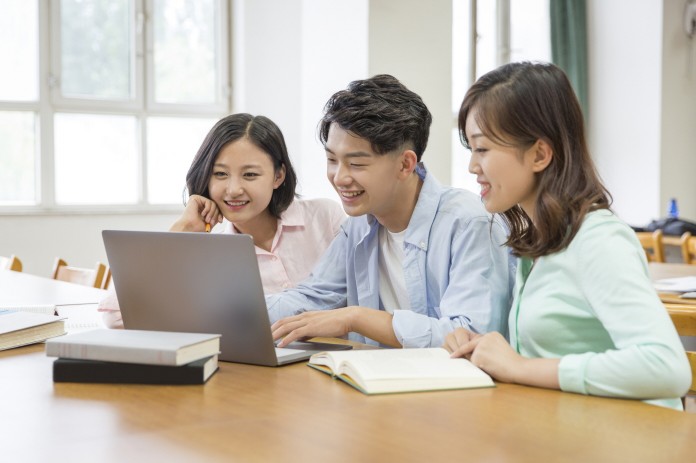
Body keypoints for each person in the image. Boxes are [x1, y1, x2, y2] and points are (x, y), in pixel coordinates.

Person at [445, 61, 691, 409]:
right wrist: (490, 350)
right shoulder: (539, 240)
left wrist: (520, 366)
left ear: (540, 154)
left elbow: (667, 368)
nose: (472, 166)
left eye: (482, 148)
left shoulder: (597, 240)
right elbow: (560, 350)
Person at [269, 74, 513, 349]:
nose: (339, 177)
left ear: (405, 164)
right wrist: (224, 309)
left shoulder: (470, 222)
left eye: (357, 164)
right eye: (332, 160)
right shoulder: (358, 226)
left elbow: (470, 335)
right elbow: (311, 299)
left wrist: (356, 318)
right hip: (377, 383)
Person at [99, 113, 345, 328]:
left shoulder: (325, 218)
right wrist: (180, 231)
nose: (233, 189)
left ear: (278, 176)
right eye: (220, 174)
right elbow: (116, 316)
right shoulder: (205, 248)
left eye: (250, 175)